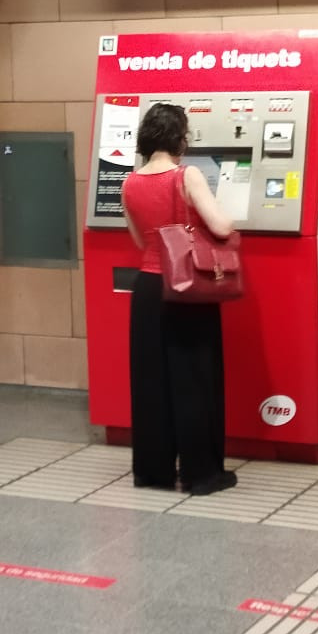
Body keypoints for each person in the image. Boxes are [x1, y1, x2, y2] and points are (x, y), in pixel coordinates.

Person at [122, 102, 239, 496]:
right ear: (179, 139)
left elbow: (141, 241)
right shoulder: (186, 175)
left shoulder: (130, 182)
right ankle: (201, 474)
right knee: (194, 380)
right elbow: (221, 225)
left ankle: (153, 471)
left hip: (148, 289)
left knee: (151, 382)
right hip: (185, 290)